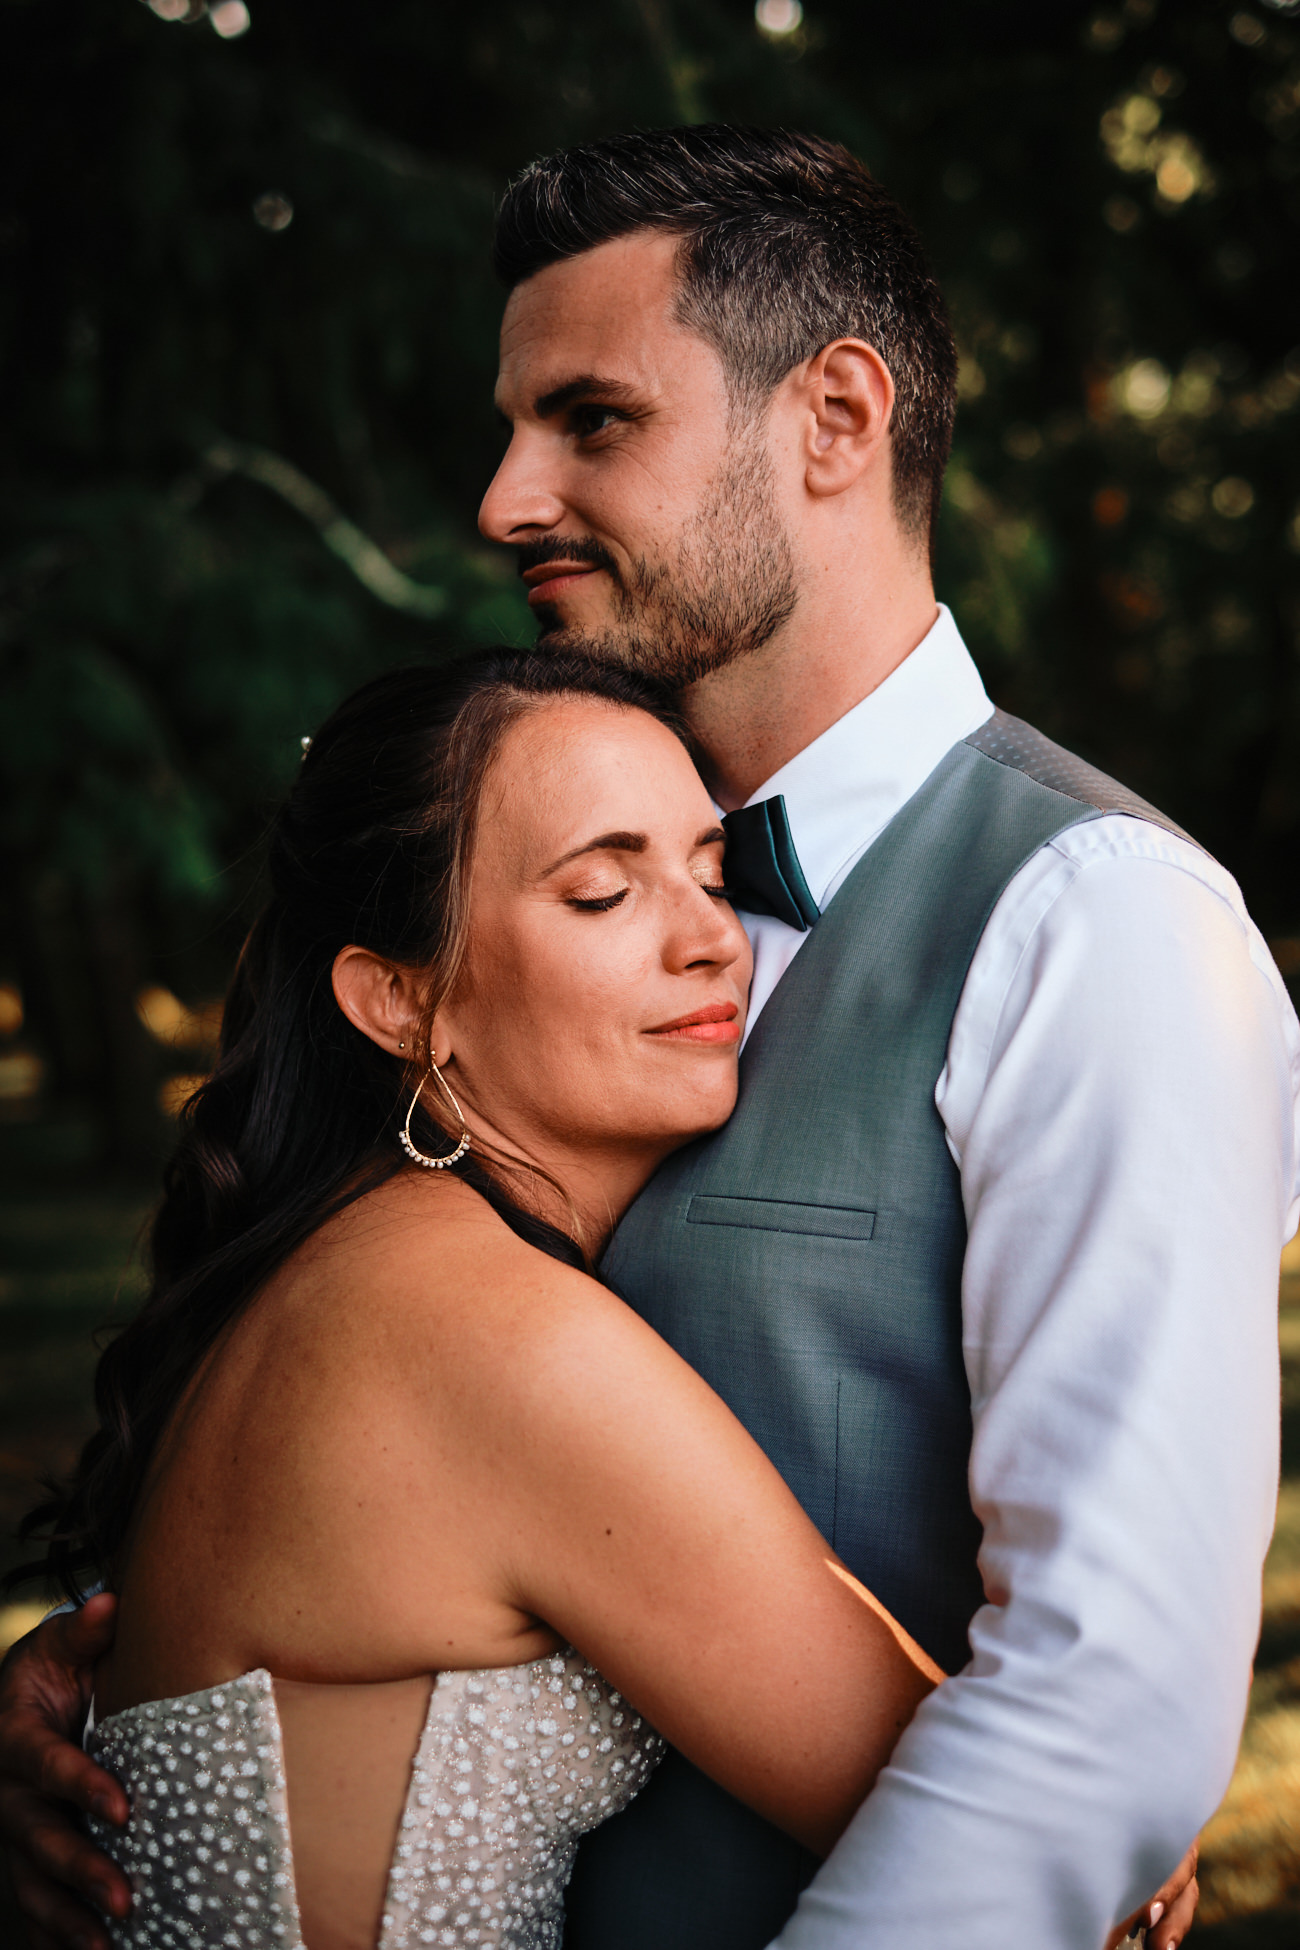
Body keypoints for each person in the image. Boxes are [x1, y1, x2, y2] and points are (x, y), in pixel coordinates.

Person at [1, 123, 1290, 1949]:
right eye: (514, 426)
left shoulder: (1102, 925)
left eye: (591, 420)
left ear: (835, 420)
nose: (502, 499)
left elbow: (1111, 1699)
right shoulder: (529, 901)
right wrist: (163, 1695)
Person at [5, 650, 947, 1950]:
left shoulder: (365, 1264)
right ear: (401, 999)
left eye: (714, 871)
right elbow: (990, 1809)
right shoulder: (490, 1336)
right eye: (606, 890)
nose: (712, 936)